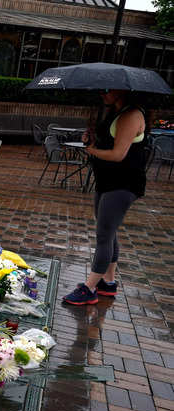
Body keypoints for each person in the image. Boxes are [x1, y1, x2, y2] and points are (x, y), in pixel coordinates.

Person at [62, 89, 148, 305]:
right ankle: (108, 283)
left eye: (108, 90)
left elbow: (118, 154)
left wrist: (92, 150)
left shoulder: (132, 115)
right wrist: (90, 139)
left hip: (123, 183)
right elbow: (108, 142)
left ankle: (89, 288)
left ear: (122, 91)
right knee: (109, 231)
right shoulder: (114, 112)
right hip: (107, 180)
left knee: (104, 235)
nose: (102, 93)